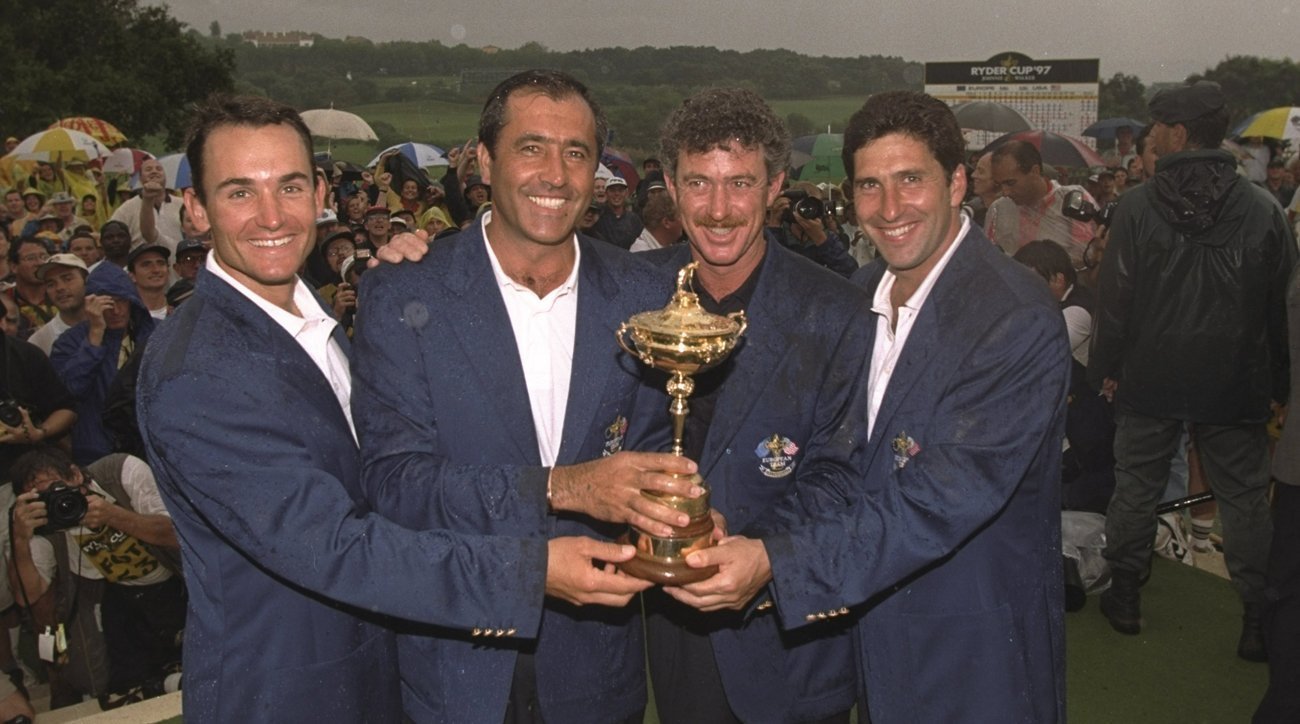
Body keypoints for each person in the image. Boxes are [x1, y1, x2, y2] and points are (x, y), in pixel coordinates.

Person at [135, 93, 588, 723]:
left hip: (370, 677)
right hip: (282, 697)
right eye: (240, 192)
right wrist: (530, 569)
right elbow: (335, 546)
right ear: (195, 209)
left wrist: (410, 275)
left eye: (289, 187)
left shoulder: (317, 317)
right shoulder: (198, 372)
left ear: (320, 192)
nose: (271, 217)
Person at [673, 90, 1070, 723]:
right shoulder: (857, 295)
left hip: (971, 653)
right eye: (869, 186)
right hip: (864, 646)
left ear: (957, 181)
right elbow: (836, 463)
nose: (889, 209)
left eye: (910, 179)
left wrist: (775, 560)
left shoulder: (1015, 317)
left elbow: (938, 501)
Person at [350, 69, 699, 723]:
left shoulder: (643, 296)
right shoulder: (404, 291)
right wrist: (563, 488)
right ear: (484, 160)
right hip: (455, 668)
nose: (556, 174)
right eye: (531, 147)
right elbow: (394, 483)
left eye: (577, 153)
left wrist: (677, 514)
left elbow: (653, 448)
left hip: (596, 672)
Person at [643, 86, 870, 724]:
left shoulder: (837, 310)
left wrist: (764, 555)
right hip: (676, 636)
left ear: (775, 187)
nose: (718, 210)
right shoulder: (627, 294)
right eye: (698, 183)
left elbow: (843, 470)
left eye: (740, 183)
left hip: (791, 642)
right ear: (670, 184)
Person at [1089, 80, 1295, 661]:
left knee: (1135, 489)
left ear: (1178, 134)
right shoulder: (1263, 209)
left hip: (1151, 375)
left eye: (1156, 126)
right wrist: (1281, 382)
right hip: (1237, 380)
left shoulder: (1136, 206)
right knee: (1245, 501)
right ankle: (1256, 618)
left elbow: (1116, 301)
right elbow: (1282, 305)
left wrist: (1104, 367)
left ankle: (1126, 596)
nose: (1150, 135)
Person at [8, 447, 184, 706]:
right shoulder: (45, 527)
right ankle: (63, 682)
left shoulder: (121, 471)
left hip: (176, 582)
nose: (54, 501)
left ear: (76, 475)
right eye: (40, 497)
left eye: (57, 488)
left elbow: (178, 534)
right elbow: (29, 597)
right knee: (122, 682)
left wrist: (114, 516)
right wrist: (20, 539)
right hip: (115, 597)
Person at [986, 140, 1097, 265]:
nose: (1005, 192)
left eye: (1010, 183)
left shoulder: (1072, 200)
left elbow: (1087, 259)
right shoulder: (999, 209)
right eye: (999, 184)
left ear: (1035, 171)